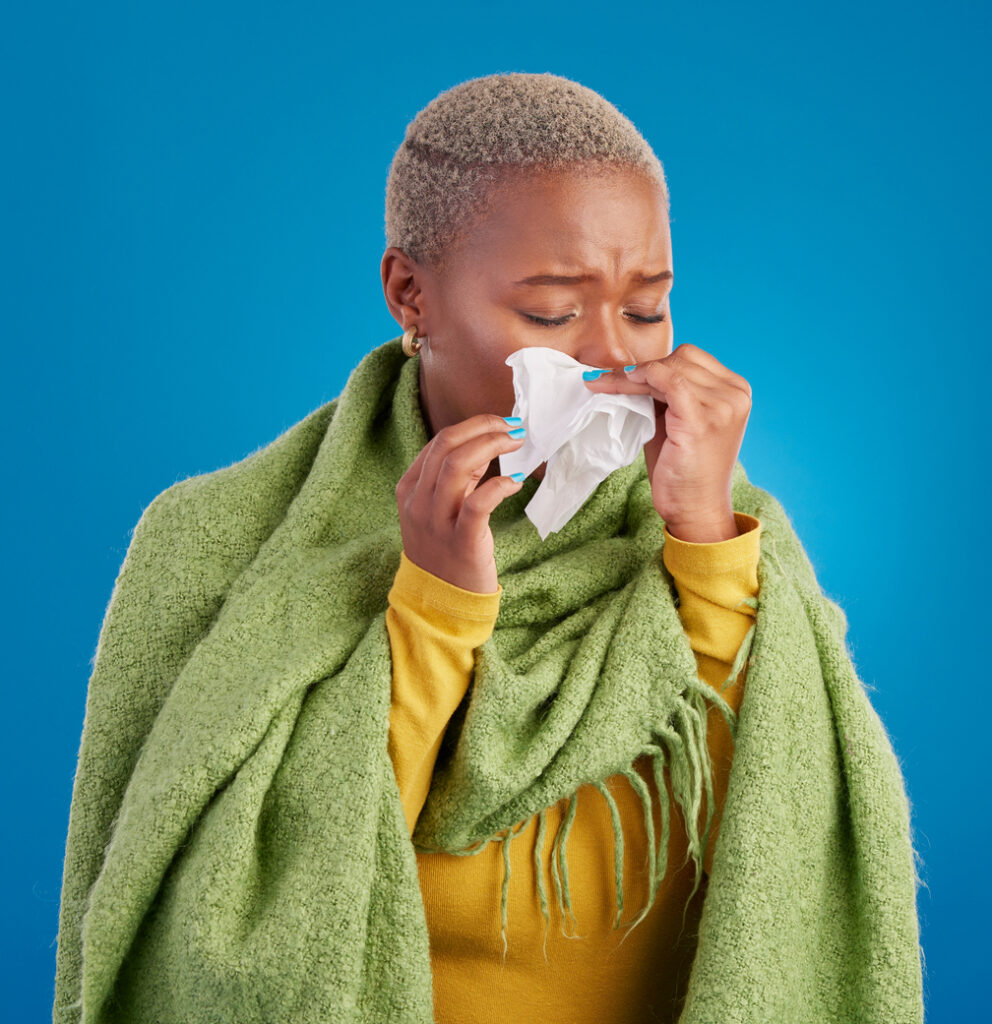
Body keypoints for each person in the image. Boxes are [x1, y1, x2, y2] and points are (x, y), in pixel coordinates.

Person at [53, 73, 923, 1024]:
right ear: (410, 293)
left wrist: (703, 542)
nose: (610, 362)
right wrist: (433, 608)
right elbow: (257, 902)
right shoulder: (217, 540)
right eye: (552, 314)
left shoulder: (726, 529)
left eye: (645, 311)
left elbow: (776, 847)